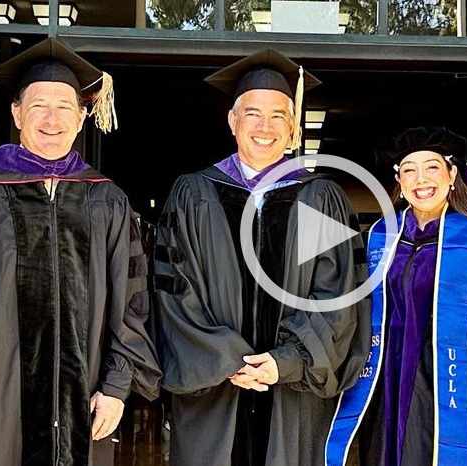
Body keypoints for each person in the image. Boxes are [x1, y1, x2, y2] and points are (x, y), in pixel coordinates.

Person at [0, 38, 161, 466]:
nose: (51, 118)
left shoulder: (108, 201)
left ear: (82, 117)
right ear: (17, 113)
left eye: (64, 106)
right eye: (38, 104)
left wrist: (116, 388)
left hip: (84, 401)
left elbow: (131, 306)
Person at [152, 48, 370, 466]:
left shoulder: (320, 197)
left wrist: (283, 362)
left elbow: (338, 297)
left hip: (293, 395)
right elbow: (173, 292)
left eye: (278, 116)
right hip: (213, 389)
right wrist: (229, 358)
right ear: (232, 121)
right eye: (252, 113)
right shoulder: (193, 194)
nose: (265, 127)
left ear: (292, 127)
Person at [325, 127, 467, 466]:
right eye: (409, 169)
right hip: (385, 376)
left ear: (452, 175)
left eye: (432, 167)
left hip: (451, 379)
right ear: (399, 179)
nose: (420, 179)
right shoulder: (379, 238)